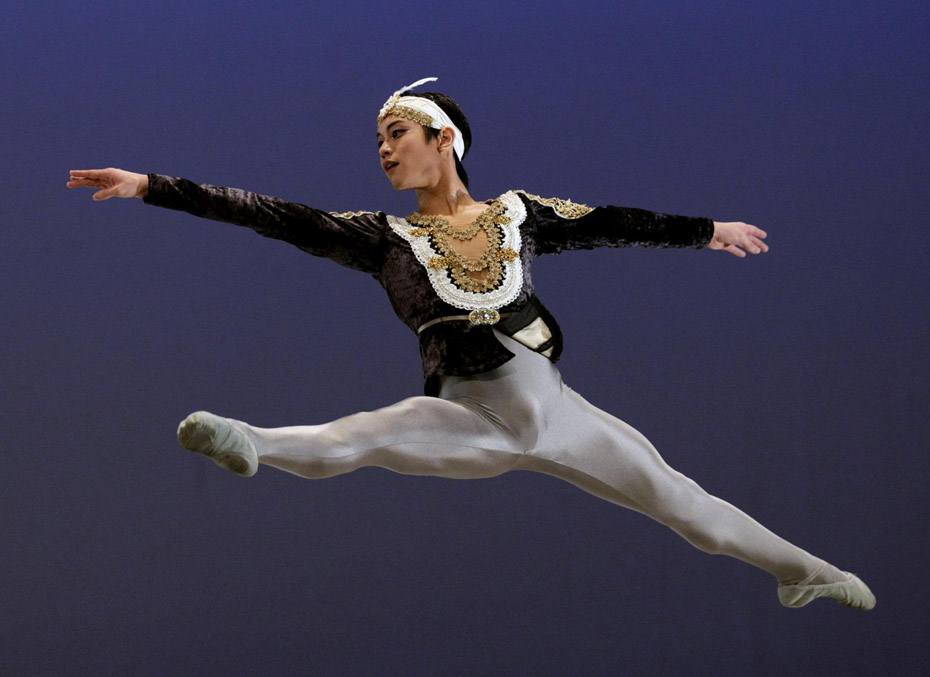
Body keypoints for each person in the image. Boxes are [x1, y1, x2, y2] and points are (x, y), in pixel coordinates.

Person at [67, 77, 874, 610]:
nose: (383, 149)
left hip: (557, 413)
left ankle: (810, 573)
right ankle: (250, 440)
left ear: (443, 137)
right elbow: (270, 212)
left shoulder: (519, 213)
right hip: (471, 416)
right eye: (378, 139)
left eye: (396, 132)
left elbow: (617, 222)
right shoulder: (380, 236)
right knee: (364, 436)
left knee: (685, 504)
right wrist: (150, 186)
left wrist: (709, 231)